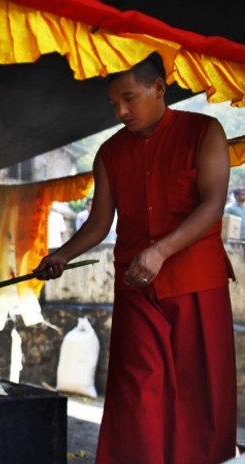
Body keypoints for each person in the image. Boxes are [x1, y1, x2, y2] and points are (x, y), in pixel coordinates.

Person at [35, 52, 236, 464]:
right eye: (113, 104)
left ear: (159, 89)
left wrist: (162, 249)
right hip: (136, 285)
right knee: (136, 391)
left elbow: (213, 204)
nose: (121, 111)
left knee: (201, 392)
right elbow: (98, 223)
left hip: (197, 280)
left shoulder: (204, 131)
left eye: (129, 98)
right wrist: (61, 255)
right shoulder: (109, 153)